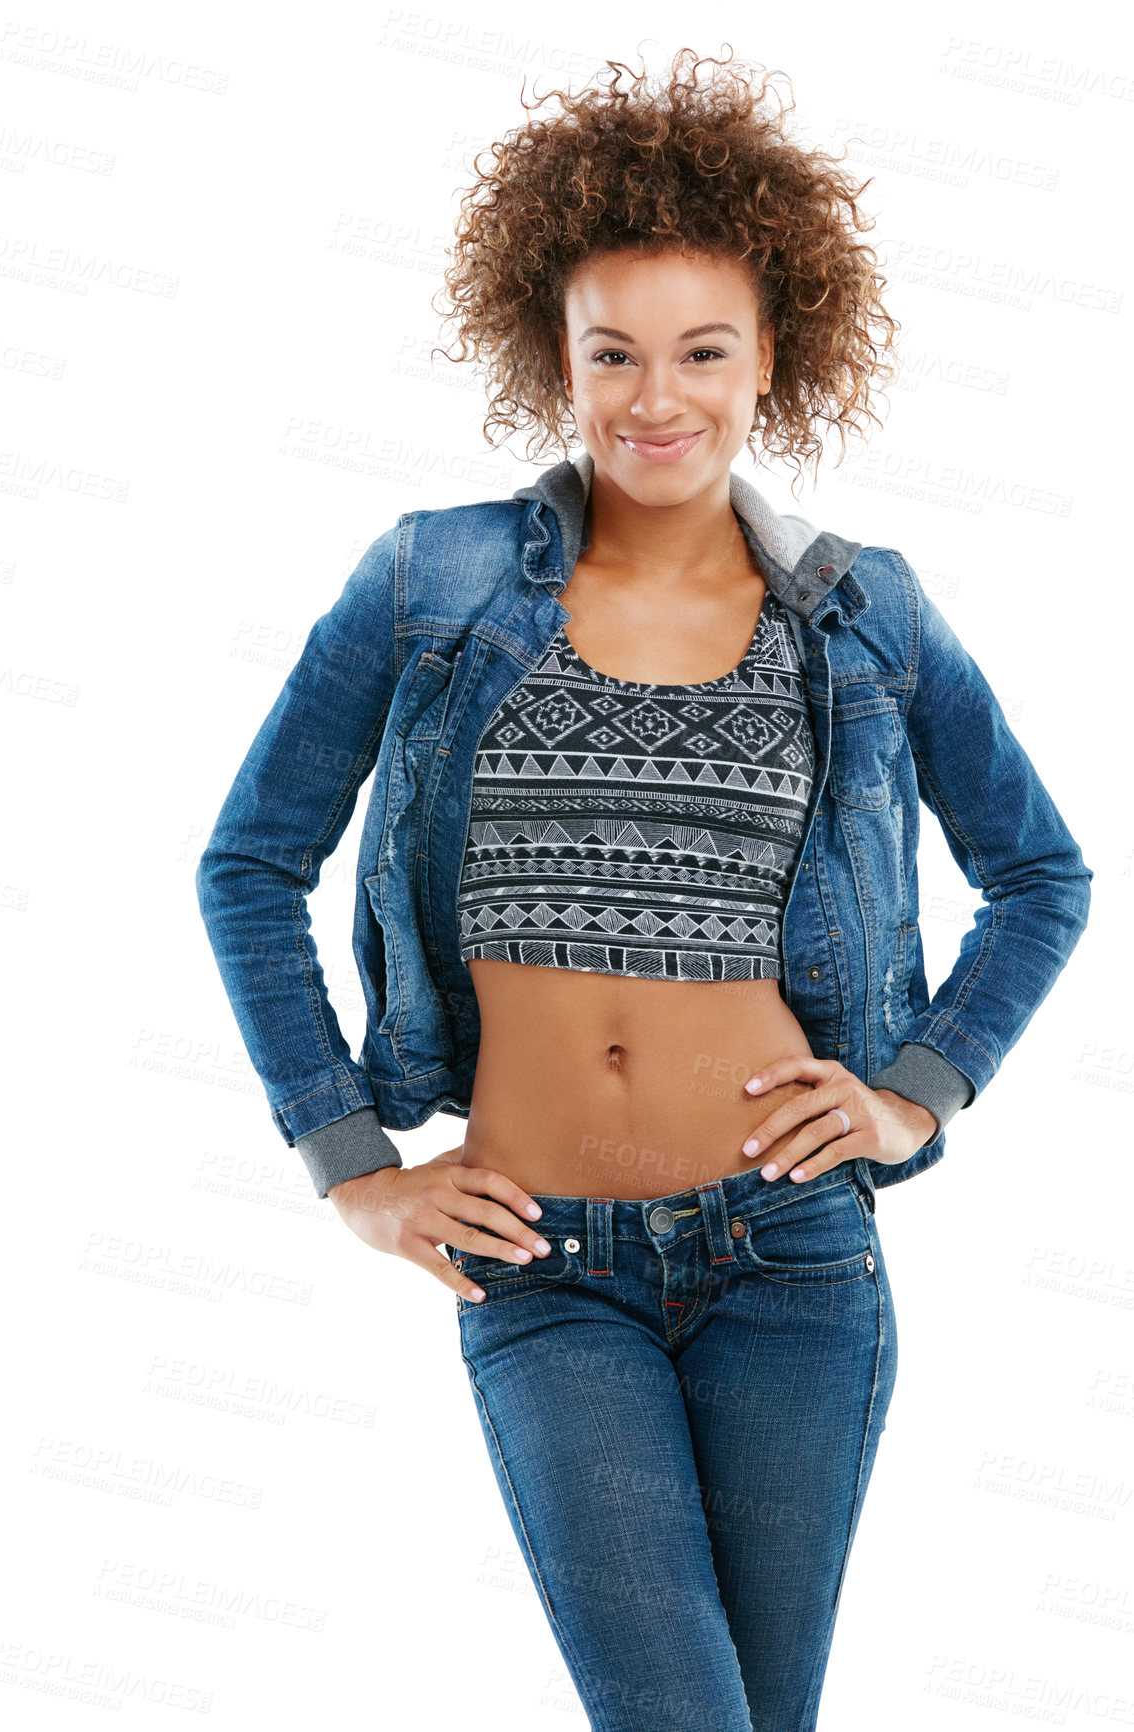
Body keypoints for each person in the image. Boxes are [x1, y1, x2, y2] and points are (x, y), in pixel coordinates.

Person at [196, 48, 1092, 1732]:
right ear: (557, 352)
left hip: (791, 1257)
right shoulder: (430, 581)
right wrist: (346, 1165)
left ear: (774, 362)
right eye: (612, 352)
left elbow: (1040, 873)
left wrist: (912, 1098)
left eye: (702, 351)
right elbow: (248, 862)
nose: (653, 397)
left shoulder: (862, 616)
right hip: (536, 1260)